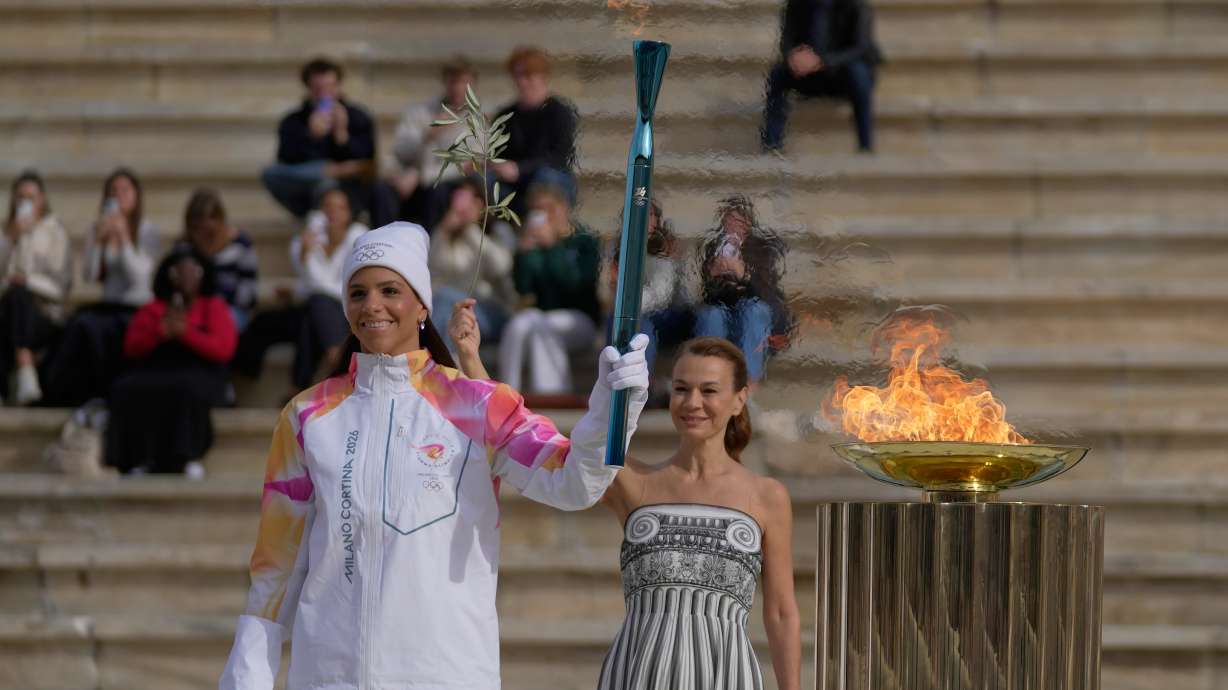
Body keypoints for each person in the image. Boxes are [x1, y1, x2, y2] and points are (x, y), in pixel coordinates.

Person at [218, 222, 651, 690]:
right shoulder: (306, 416)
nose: (373, 306)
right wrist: (249, 667)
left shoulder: (477, 404)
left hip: (443, 671)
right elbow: (278, 563)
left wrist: (613, 405)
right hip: (327, 673)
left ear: (422, 304)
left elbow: (572, 481)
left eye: (390, 290)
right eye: (358, 293)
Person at [597, 337, 801, 690]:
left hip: (726, 675)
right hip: (637, 674)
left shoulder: (767, 496)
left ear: (740, 399)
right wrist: (473, 364)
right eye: (681, 389)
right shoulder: (629, 481)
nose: (693, 403)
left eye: (709, 391)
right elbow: (532, 446)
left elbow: (781, 613)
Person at [106, 250, 237, 477]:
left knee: (187, 388)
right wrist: (161, 331)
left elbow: (223, 349)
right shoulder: (152, 309)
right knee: (126, 388)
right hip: (158, 368)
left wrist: (186, 333)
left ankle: (187, 457)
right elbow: (132, 347)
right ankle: (137, 459)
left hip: (200, 370)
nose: (186, 277)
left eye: (193, 271)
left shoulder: (212, 307)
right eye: (180, 271)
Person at [42, 167, 161, 407]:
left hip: (137, 307)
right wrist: (98, 242)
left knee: (93, 329)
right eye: (113, 191)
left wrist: (124, 238)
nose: (118, 196)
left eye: (125, 190)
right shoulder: (98, 229)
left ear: (136, 196)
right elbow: (90, 274)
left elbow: (140, 276)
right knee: (77, 326)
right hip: (109, 305)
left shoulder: (147, 230)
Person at [234, 188, 365, 399]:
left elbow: (343, 289)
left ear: (349, 213)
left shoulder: (359, 237)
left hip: (344, 314)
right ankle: (244, 379)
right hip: (316, 311)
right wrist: (306, 255)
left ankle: (306, 381)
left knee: (315, 307)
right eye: (327, 207)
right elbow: (316, 285)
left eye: (339, 208)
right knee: (269, 321)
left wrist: (298, 290)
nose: (332, 213)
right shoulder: (302, 244)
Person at [499, 181, 601, 394]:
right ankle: (506, 394)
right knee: (517, 324)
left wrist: (553, 247)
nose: (544, 215)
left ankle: (550, 397)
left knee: (541, 327)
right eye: (538, 210)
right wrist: (523, 254)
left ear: (564, 208)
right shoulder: (535, 245)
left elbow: (574, 285)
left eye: (549, 209)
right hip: (541, 317)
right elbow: (523, 289)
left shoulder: (583, 242)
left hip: (581, 320)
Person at [261, 57, 378, 222]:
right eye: (318, 89)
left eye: (330, 88)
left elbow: (367, 163)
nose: (325, 95)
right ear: (308, 89)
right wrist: (311, 137)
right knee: (271, 173)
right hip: (305, 191)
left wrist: (342, 135)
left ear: (338, 86)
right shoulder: (293, 121)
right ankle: (326, 175)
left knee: (326, 185)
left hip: (349, 191)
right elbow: (286, 162)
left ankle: (320, 218)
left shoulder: (358, 117)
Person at [761, 0, 883, 154]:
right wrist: (794, 57)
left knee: (859, 72)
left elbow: (862, 48)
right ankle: (772, 146)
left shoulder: (856, 5)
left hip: (840, 74)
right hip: (808, 75)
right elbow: (786, 43)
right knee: (778, 73)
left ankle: (865, 147)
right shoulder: (796, 4)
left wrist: (823, 61)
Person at [694, 196, 790, 384]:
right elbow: (706, 294)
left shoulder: (761, 249)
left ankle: (749, 383)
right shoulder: (714, 248)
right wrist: (714, 276)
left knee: (754, 311)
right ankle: (711, 380)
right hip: (723, 306)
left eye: (738, 221)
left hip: (752, 306)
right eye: (728, 221)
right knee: (710, 315)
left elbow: (766, 291)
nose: (732, 226)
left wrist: (743, 274)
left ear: (747, 225)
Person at [380, 55, 477, 228]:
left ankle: (431, 248)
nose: (458, 88)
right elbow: (400, 150)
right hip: (410, 179)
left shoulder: (478, 122)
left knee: (437, 191)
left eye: (464, 83)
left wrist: (421, 176)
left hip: (445, 183)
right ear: (445, 83)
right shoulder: (420, 112)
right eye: (453, 82)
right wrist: (426, 137)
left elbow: (466, 165)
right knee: (383, 190)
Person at [0, 170, 70, 405]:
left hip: (43, 312)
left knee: (19, 295)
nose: (25, 203)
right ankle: (24, 366)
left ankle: (23, 368)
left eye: (30, 197)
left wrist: (28, 281)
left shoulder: (55, 233)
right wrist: (10, 239)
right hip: (8, 306)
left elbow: (61, 286)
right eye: (20, 197)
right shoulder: (5, 233)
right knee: (13, 299)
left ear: (42, 200)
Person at [608, 197, 693, 376]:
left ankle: (639, 385)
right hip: (635, 311)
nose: (645, 219)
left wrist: (627, 302)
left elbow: (660, 296)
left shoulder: (666, 248)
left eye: (651, 215)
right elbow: (607, 291)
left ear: (657, 220)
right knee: (614, 319)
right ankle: (615, 380)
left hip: (670, 316)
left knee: (641, 326)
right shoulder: (617, 249)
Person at [429, 176, 513, 353]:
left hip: (492, 311)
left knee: (446, 302)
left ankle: (437, 368)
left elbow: (500, 267)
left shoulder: (498, 232)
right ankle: (449, 370)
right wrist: (444, 231)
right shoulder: (446, 234)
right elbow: (434, 269)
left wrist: (472, 229)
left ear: (481, 204)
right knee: (446, 311)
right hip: (451, 310)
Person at [491, 46, 579, 214]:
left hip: (551, 177)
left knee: (546, 179)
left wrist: (520, 169)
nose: (523, 82)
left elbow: (559, 157)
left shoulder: (560, 113)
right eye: (518, 76)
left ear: (543, 77)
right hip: (515, 181)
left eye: (528, 76)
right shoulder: (506, 115)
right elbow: (498, 153)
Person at [173, 188, 259, 332]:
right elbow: (175, 288)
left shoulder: (241, 244)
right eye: (197, 228)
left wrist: (218, 306)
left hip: (230, 308)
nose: (203, 234)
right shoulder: (183, 247)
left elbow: (249, 291)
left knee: (220, 323)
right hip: (194, 310)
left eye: (209, 229)